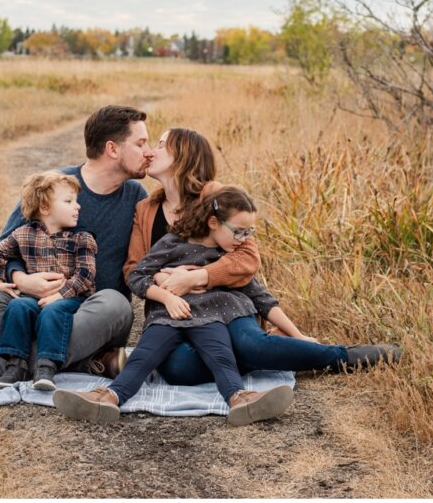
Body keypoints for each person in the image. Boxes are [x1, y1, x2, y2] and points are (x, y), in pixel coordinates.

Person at [123, 127, 401, 386]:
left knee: (250, 344)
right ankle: (271, 354)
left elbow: (247, 259)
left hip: (225, 303)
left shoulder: (215, 197)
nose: (150, 152)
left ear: (184, 157)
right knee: (179, 368)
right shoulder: (145, 208)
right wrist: (166, 278)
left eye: (160, 145)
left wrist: (199, 276)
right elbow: (134, 269)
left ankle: (339, 356)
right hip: (176, 313)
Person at [0, 105, 154, 388]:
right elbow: (6, 249)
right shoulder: (53, 187)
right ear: (112, 149)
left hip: (90, 315)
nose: (149, 151)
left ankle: (0, 365)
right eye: (141, 143)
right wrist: (23, 280)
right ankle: (90, 362)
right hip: (34, 305)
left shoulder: (136, 197)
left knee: (116, 304)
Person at [53, 186, 294, 426]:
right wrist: (166, 295)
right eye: (240, 232)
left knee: (221, 355)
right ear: (212, 222)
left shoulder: (230, 250)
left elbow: (253, 283)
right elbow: (137, 276)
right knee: (143, 355)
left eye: (247, 233)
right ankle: (107, 397)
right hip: (167, 314)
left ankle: (240, 399)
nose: (243, 239)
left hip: (208, 314)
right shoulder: (173, 242)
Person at [0, 172, 97, 391]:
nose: (78, 207)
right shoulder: (23, 234)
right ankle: (14, 366)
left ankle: (46, 367)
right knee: (17, 306)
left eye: (76, 201)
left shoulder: (81, 238)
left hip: (71, 298)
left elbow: (86, 274)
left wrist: (60, 294)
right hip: (33, 297)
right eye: (68, 202)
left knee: (53, 311)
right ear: (45, 208)